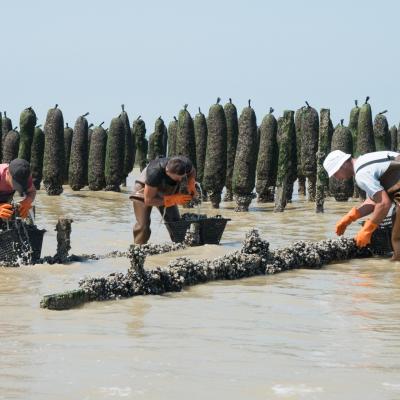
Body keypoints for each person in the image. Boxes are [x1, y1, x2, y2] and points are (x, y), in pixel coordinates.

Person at [323, 149, 400, 259]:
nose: (337, 178)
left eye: (335, 173)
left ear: (342, 164)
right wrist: (350, 217)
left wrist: (367, 230)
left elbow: (383, 204)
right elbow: (374, 201)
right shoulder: (364, 161)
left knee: (397, 243)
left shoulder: (361, 174)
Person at [131, 155, 197, 244]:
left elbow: (192, 171)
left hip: (167, 190)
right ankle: (139, 247)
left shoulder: (186, 164)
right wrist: (173, 200)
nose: (180, 180)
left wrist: (191, 183)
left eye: (182, 177)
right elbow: (148, 200)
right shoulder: (154, 172)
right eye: (177, 178)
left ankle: (180, 246)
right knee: (143, 226)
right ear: (167, 171)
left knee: (175, 223)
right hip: (145, 191)